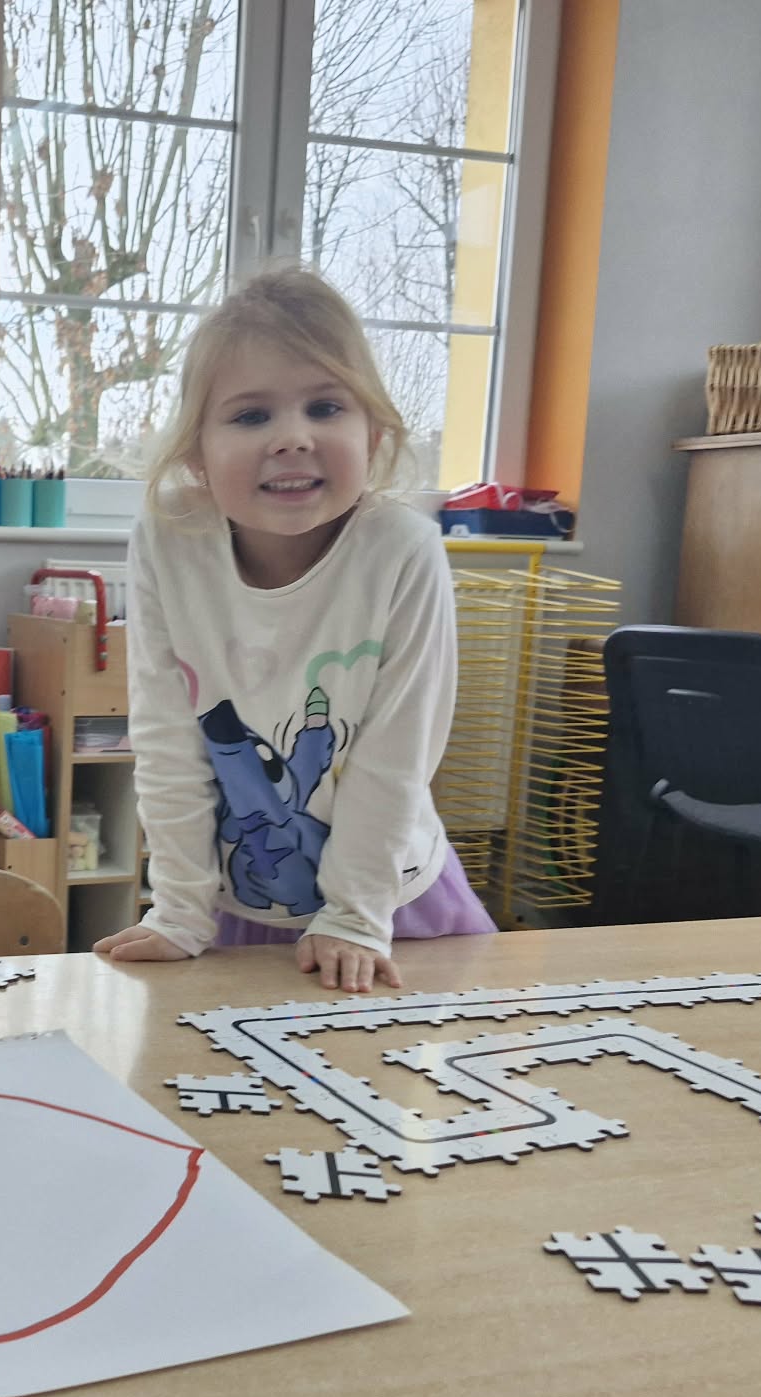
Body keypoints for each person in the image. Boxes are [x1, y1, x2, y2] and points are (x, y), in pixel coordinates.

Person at [94, 267, 493, 995]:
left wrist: (353, 915)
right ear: (196, 454)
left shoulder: (403, 548)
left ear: (374, 434)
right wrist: (179, 907)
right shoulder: (167, 537)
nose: (292, 438)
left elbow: (396, 757)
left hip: (389, 904)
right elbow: (165, 737)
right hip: (241, 903)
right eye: (251, 416)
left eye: (325, 407)